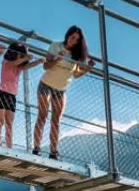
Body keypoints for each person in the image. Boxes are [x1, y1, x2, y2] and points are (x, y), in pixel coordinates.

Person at [32, 26, 96, 160]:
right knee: (42, 116)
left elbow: (76, 74)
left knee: (56, 121)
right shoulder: (55, 45)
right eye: (72, 37)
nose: (74, 41)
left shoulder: (77, 54)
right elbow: (46, 66)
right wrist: (57, 59)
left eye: (77, 40)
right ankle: (36, 148)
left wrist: (88, 68)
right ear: (67, 36)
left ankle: (53, 151)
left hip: (61, 89)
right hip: (46, 84)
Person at [0, 42, 42, 148]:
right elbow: (12, 63)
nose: (21, 56)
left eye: (22, 55)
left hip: (12, 96)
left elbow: (28, 66)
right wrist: (24, 58)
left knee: (9, 123)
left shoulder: (19, 67)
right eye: (20, 54)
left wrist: (38, 61)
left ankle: (9, 146)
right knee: (0, 120)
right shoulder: (6, 62)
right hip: (2, 93)